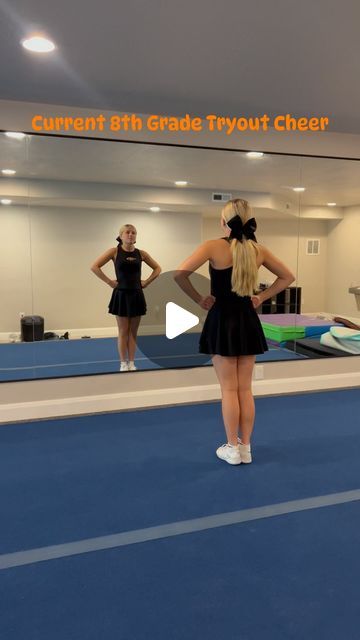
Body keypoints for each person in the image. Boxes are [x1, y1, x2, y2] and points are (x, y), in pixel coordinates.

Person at [174, 198, 295, 465]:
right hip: (247, 320)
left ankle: (232, 448)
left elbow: (179, 274)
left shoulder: (212, 246)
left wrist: (199, 299)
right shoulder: (258, 250)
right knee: (244, 390)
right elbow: (288, 276)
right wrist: (261, 297)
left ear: (223, 221)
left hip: (221, 320)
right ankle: (246, 448)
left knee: (229, 390)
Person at [91, 224, 161, 371]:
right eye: (127, 232)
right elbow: (95, 266)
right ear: (121, 235)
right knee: (123, 331)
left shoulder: (141, 254)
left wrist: (147, 281)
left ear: (136, 236)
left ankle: (132, 362)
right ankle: (123, 362)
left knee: (133, 332)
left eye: (133, 233)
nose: (130, 235)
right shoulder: (114, 252)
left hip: (136, 294)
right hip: (121, 295)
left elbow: (158, 268)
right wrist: (109, 282)